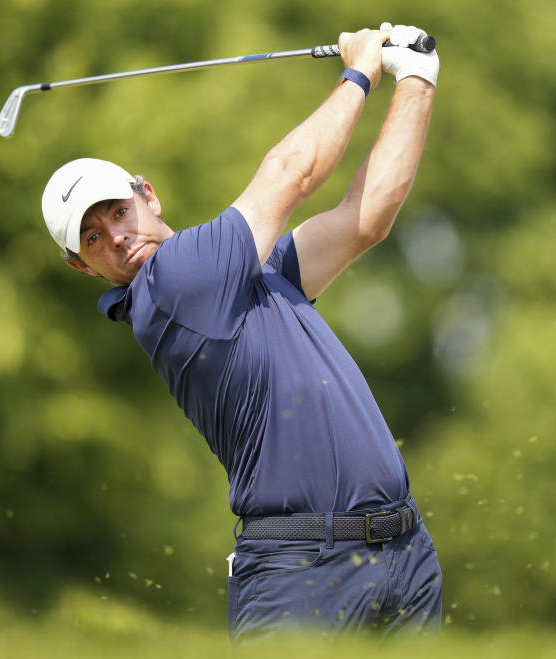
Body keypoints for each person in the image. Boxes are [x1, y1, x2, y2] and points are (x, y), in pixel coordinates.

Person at [40, 24, 441, 641]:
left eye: (118, 211)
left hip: (403, 554)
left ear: (148, 195)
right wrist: (361, 71)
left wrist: (416, 77)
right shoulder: (171, 285)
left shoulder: (250, 278)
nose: (117, 236)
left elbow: (368, 216)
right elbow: (289, 173)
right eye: (92, 238)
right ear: (81, 266)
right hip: (302, 572)